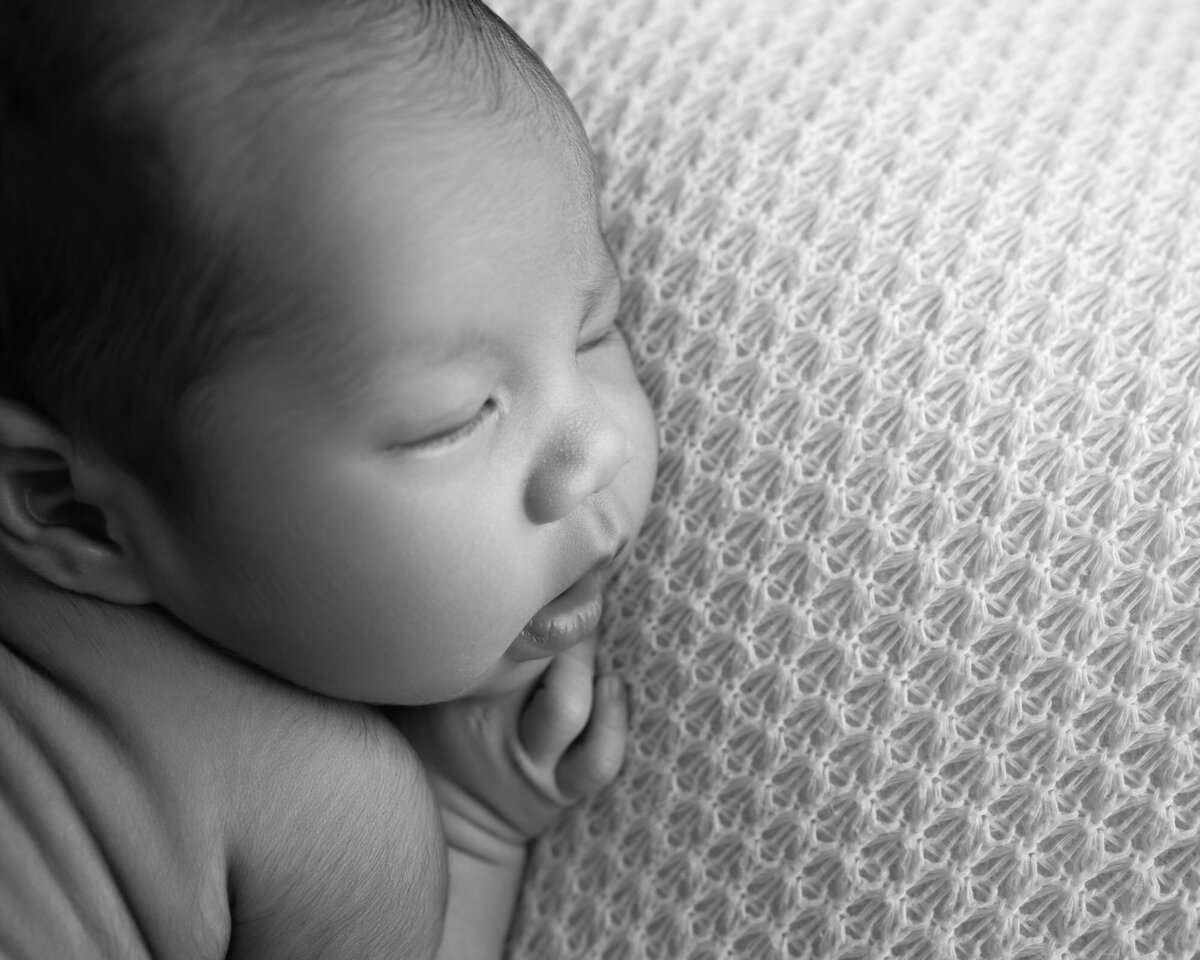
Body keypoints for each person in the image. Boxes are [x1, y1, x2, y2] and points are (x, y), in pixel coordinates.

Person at [0, 0, 659, 956]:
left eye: (597, 328)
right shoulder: (322, 806)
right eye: (454, 420)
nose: (596, 451)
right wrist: (469, 828)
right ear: (74, 513)